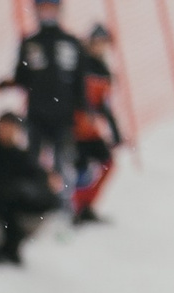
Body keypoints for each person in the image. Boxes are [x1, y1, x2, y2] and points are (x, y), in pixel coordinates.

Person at [6, 0, 87, 196]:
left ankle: (66, 209)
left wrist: (82, 110)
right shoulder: (30, 43)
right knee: (35, 164)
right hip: (37, 115)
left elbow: (80, 81)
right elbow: (22, 77)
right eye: (43, 8)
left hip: (64, 116)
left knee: (64, 164)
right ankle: (41, 208)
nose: (47, 13)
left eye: (51, 8)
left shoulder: (71, 42)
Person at [0, 112, 61, 264]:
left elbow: (37, 179)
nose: (7, 132)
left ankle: (8, 246)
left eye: (12, 128)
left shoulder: (18, 155)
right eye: (4, 127)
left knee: (33, 208)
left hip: (5, 210)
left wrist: (0, 188)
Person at [72, 24, 125, 224]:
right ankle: (76, 208)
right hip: (74, 127)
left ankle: (86, 205)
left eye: (104, 44)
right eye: (98, 43)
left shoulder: (103, 71)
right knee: (80, 169)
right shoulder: (80, 64)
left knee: (107, 163)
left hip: (90, 129)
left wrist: (115, 130)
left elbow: (104, 104)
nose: (100, 47)